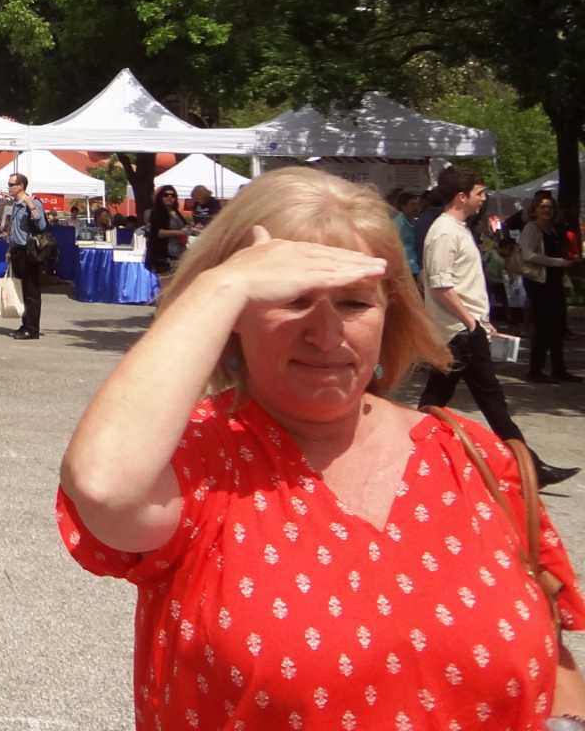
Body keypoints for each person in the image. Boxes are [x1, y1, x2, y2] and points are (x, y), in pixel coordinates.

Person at [59, 166, 585, 731]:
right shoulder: (196, 461)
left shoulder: (471, 455)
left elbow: (547, 652)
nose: (328, 334)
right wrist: (220, 285)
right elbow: (103, 485)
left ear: (391, 311)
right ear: (232, 319)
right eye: (293, 300)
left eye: (355, 304)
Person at [420, 164, 577, 487]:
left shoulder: (455, 229)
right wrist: (471, 322)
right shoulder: (445, 232)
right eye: (479, 193)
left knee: (435, 401)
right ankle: (530, 467)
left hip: (461, 330)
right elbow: (439, 283)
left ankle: (408, 454)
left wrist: (479, 322)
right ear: (461, 197)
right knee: (492, 402)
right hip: (460, 333)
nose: (484, 198)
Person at [520, 192, 577, 383]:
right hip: (539, 283)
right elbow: (528, 255)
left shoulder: (552, 229)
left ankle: (559, 369)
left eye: (550, 207)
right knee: (542, 328)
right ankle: (535, 370)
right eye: (543, 207)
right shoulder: (531, 228)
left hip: (553, 283)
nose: (547, 210)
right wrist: (558, 262)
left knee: (557, 327)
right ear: (535, 209)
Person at [1, 173, 46, 340]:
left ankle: (32, 329)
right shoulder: (15, 205)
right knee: (22, 291)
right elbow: (14, 231)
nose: (9, 187)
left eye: (12, 184)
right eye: (9, 184)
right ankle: (25, 324)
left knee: (31, 292)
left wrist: (31, 206)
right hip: (17, 251)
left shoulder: (31, 202)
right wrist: (9, 250)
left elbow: (41, 225)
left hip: (29, 253)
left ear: (21, 186)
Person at [142, 184, 187, 279]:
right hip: (163, 257)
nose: (169, 198)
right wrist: (180, 232)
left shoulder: (175, 212)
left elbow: (184, 226)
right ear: (160, 197)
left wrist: (191, 228)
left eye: (172, 195)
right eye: (166, 195)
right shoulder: (156, 212)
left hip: (178, 254)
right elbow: (157, 232)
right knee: (166, 287)